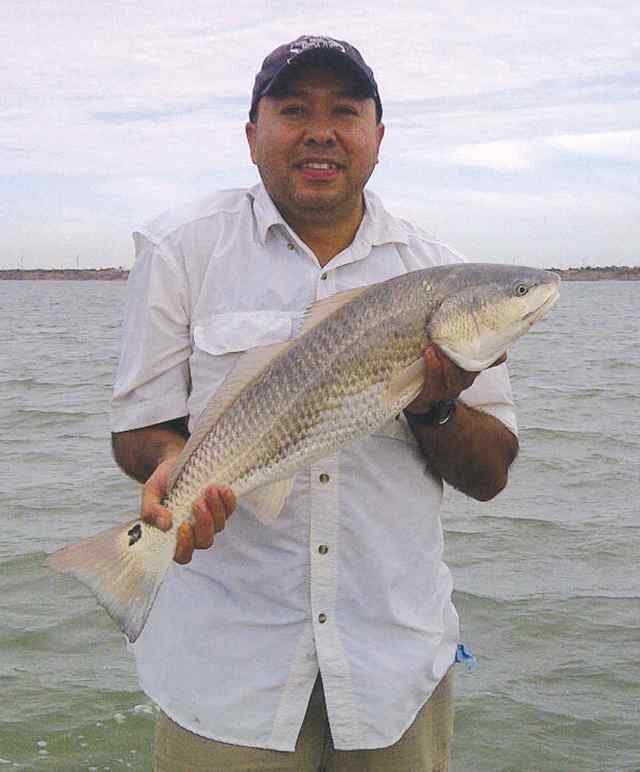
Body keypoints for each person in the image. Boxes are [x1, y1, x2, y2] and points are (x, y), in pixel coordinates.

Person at [110, 35, 519, 772]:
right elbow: (138, 426)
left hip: (395, 665)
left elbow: (491, 476)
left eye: (346, 111)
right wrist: (176, 466)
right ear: (251, 134)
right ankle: (121, 569)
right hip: (227, 671)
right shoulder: (181, 250)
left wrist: (434, 406)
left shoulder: (439, 272)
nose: (320, 131)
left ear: (378, 136)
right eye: (294, 109)